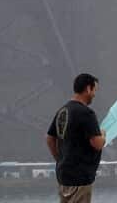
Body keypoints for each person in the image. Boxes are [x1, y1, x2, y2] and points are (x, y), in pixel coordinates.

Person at [45, 73, 106, 203]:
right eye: (94, 90)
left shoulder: (63, 110)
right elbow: (97, 144)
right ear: (88, 88)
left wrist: (60, 159)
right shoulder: (86, 113)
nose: (94, 94)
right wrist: (103, 135)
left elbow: (50, 138)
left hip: (64, 176)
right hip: (80, 177)